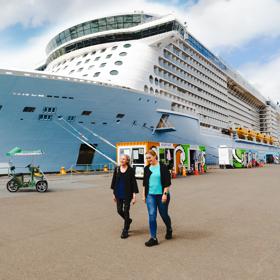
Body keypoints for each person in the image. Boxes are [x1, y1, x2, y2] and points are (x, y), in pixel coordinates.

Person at [142, 150, 173, 247]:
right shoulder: (146, 168)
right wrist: (143, 195)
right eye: (146, 158)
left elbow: (167, 183)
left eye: (149, 157)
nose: (148, 160)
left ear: (155, 156)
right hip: (150, 195)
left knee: (163, 214)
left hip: (161, 195)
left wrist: (165, 194)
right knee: (152, 214)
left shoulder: (163, 167)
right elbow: (144, 183)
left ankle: (169, 228)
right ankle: (153, 238)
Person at [111, 154, 138, 239]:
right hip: (118, 193)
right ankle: (128, 220)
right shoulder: (117, 169)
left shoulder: (130, 170)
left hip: (127, 194)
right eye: (121, 159)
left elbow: (133, 183)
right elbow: (114, 181)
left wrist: (134, 196)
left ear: (127, 161)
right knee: (119, 210)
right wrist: (113, 194)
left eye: (124, 159)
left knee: (126, 210)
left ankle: (125, 230)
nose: (122, 160)